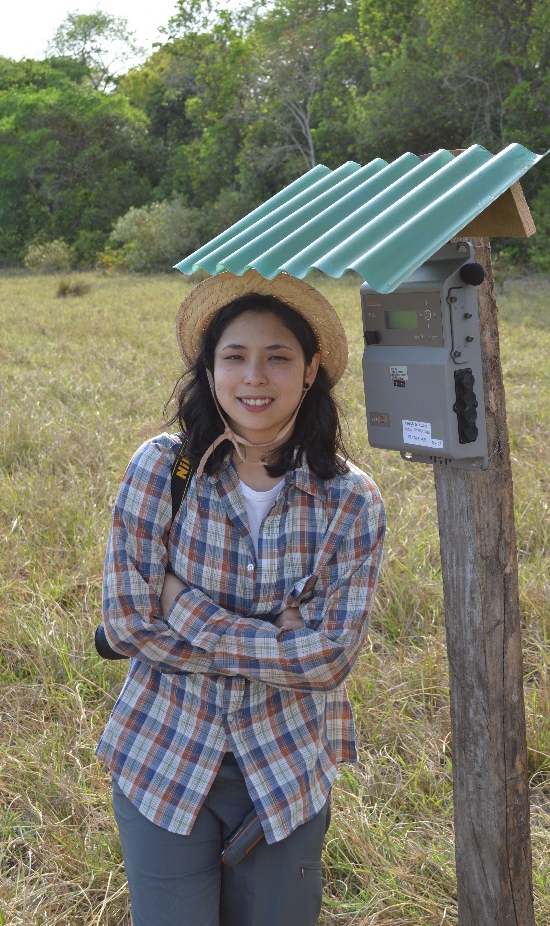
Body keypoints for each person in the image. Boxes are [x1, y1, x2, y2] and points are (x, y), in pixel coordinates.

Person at [96, 270, 386, 926]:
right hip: (162, 757)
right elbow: (125, 622)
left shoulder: (350, 499)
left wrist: (183, 605)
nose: (255, 377)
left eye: (277, 356)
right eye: (235, 356)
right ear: (210, 367)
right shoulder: (163, 469)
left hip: (284, 769)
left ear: (310, 370)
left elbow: (329, 661)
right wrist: (281, 638)